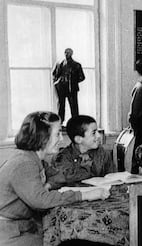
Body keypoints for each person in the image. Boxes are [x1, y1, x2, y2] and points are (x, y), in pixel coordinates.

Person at [0, 111, 109, 246]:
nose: (62, 139)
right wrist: (83, 195)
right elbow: (41, 201)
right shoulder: (25, 163)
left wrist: (48, 185)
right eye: (57, 134)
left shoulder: (34, 159)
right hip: (11, 234)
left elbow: (59, 176)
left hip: (24, 227)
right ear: (43, 137)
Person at [46, 115, 116, 189]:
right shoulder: (62, 157)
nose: (98, 136)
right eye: (94, 133)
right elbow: (67, 179)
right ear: (79, 139)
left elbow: (112, 177)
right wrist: (86, 167)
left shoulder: (101, 153)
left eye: (98, 131)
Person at [52, 48, 85, 123]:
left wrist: (73, 81)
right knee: (61, 106)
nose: (67, 54)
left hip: (72, 89)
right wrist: (57, 82)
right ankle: (60, 122)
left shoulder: (77, 65)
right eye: (65, 52)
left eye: (68, 52)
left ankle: (75, 122)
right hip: (61, 88)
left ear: (71, 54)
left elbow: (82, 77)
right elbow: (54, 74)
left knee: (74, 106)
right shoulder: (59, 63)